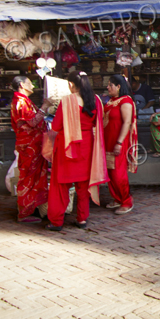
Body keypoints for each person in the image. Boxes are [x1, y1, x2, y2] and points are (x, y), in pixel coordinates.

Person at [46, 71, 108, 231]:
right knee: (83, 186)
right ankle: (82, 219)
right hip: (87, 146)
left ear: (71, 84)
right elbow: (98, 123)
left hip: (67, 146)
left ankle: (56, 221)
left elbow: (56, 126)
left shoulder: (66, 101)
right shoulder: (95, 100)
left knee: (61, 185)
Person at [10, 76, 51, 223]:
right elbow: (33, 122)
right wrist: (45, 106)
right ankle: (24, 212)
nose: (32, 85)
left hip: (33, 145)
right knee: (27, 178)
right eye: (29, 82)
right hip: (29, 146)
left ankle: (32, 207)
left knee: (34, 176)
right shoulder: (21, 101)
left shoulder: (23, 100)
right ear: (22, 85)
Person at [104, 75, 138, 215]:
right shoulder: (111, 101)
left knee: (118, 173)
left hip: (118, 141)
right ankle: (117, 198)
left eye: (110, 85)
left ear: (118, 87)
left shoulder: (125, 101)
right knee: (110, 172)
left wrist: (119, 142)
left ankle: (126, 201)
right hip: (108, 141)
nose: (108, 87)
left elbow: (127, 122)